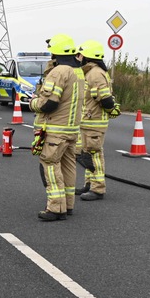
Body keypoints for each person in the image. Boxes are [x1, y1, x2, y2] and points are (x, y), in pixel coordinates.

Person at [29, 33, 86, 221]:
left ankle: (55, 208)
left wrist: (34, 103)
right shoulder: (78, 72)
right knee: (69, 166)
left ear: (56, 52)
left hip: (56, 129)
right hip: (72, 130)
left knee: (50, 165)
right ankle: (68, 205)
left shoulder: (59, 71)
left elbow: (50, 104)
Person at [75, 40, 119, 201]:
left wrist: (111, 110)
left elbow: (106, 100)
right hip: (88, 121)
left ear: (88, 56)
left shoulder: (95, 74)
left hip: (94, 122)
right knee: (88, 154)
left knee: (95, 155)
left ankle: (98, 188)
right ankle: (89, 184)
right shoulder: (89, 73)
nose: (78, 57)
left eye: (80, 54)